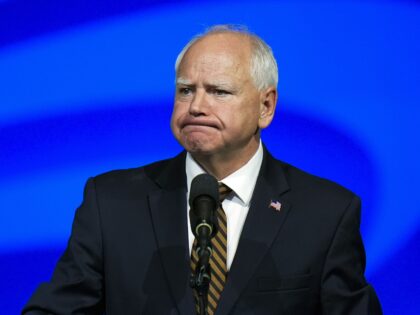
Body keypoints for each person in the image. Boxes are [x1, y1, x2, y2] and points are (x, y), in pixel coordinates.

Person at [22, 25, 382, 315]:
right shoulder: (111, 202)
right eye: (185, 90)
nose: (196, 106)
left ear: (266, 107)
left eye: (219, 92)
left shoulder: (326, 212)